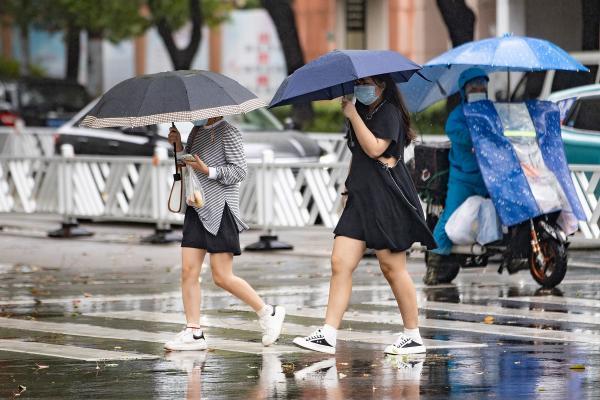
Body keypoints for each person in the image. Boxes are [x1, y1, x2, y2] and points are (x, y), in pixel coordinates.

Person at [292, 74, 436, 356]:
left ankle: (413, 335)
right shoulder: (361, 112)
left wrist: (351, 115)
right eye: (359, 83)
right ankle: (328, 333)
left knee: (392, 267)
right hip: (359, 198)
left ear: (382, 87)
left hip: (387, 199)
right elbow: (358, 155)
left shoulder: (389, 113)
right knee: (339, 262)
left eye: (368, 84)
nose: (362, 89)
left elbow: (374, 148)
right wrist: (346, 190)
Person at [165, 117, 285, 351]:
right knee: (188, 271)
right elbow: (187, 165)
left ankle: (268, 312)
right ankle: (194, 332)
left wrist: (208, 170)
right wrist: (178, 146)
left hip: (221, 209)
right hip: (196, 207)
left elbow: (239, 171)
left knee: (222, 276)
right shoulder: (197, 130)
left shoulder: (228, 131)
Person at [424, 68, 490, 285]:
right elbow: (461, 136)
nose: (479, 90)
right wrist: (479, 135)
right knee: (449, 216)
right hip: (463, 178)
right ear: (464, 91)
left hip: (489, 175)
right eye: (474, 87)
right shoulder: (457, 117)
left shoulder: (492, 112)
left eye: (483, 86)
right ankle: (434, 263)